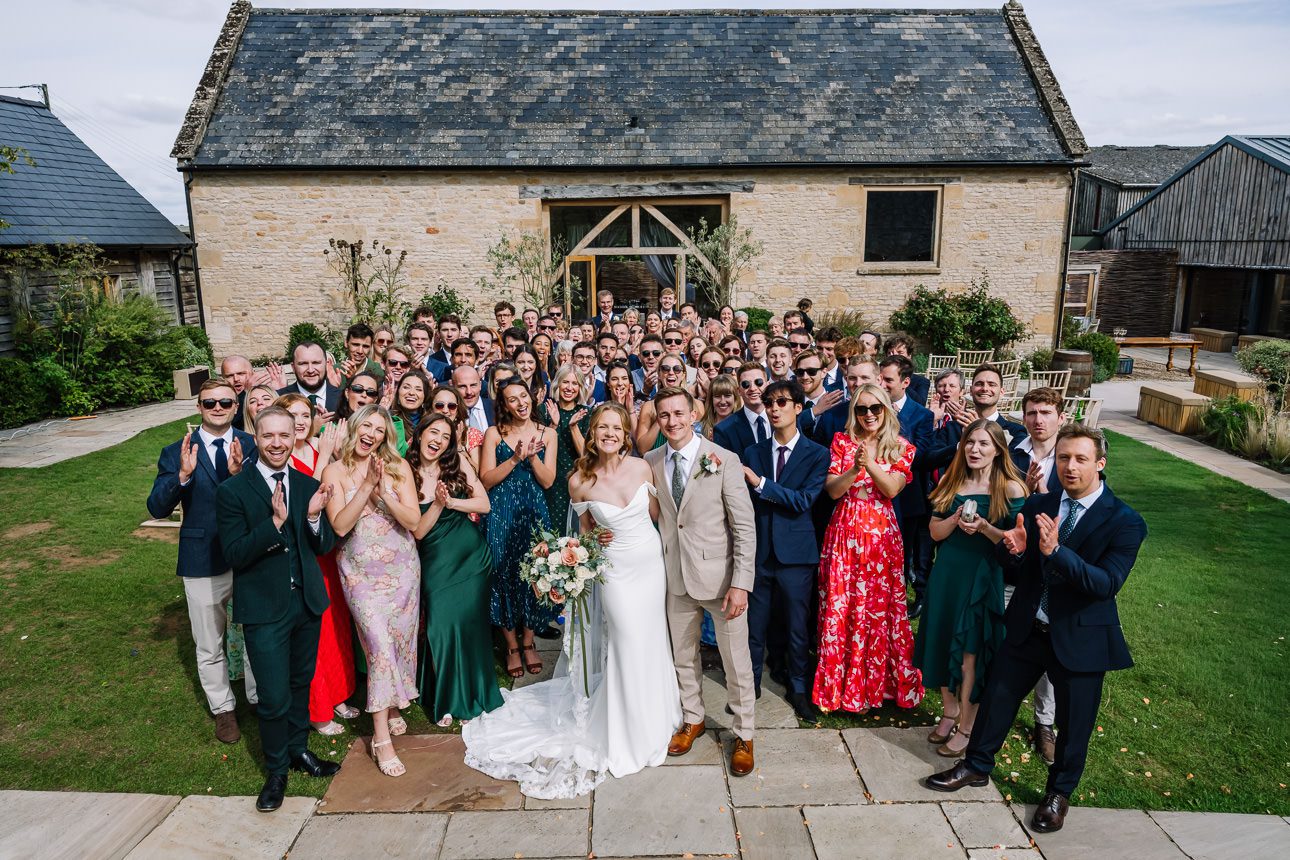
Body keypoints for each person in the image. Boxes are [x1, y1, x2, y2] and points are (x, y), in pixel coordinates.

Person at [926, 424, 1147, 835]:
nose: (1070, 466)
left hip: (1080, 636)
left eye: (1081, 459)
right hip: (1028, 627)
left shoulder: (1125, 522)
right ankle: (976, 766)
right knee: (996, 701)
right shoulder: (1039, 503)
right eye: (1063, 457)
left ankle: (1058, 793)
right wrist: (1014, 549)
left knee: (1074, 724)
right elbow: (1017, 567)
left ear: (1100, 464)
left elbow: (1106, 584)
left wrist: (1056, 552)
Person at [464, 402, 681, 796]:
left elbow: (654, 516)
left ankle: (656, 717)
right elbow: (582, 531)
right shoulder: (578, 480)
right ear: (592, 434)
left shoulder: (642, 468)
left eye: (617, 427)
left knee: (651, 641)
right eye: (603, 428)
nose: (610, 434)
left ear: (626, 433)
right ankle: (625, 730)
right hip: (614, 573)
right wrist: (589, 543)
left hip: (649, 566)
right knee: (626, 642)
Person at [214, 405, 339, 811]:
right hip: (264, 609)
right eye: (268, 436)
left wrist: (316, 518)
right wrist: (274, 525)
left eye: (284, 436)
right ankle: (276, 770)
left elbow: (322, 546)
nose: (277, 443)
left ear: (294, 437)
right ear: (255, 435)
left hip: (305, 603)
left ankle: (299, 749)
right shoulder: (232, 491)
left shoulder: (306, 485)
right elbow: (233, 552)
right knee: (272, 695)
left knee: (301, 683)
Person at [644, 387, 758, 775]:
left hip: (721, 578)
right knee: (682, 657)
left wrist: (741, 582)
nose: (672, 422)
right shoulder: (651, 460)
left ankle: (744, 733)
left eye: (679, 413)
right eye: (664, 415)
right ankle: (693, 718)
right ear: (657, 420)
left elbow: (744, 526)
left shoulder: (722, 459)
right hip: (674, 577)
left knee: (736, 661)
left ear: (693, 413)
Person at [148, 378, 258, 744]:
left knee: (255, 633)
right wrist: (182, 476)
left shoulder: (250, 445)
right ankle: (223, 708)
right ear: (199, 406)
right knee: (209, 642)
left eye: (225, 402)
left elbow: (263, 500)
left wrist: (241, 478)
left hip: (246, 557)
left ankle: (258, 699)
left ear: (234, 405)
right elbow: (157, 508)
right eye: (209, 402)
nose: (218, 408)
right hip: (200, 559)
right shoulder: (175, 450)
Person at [914, 419, 1027, 757]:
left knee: (969, 655)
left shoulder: (1011, 488)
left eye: (983, 444)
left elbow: (1014, 543)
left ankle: (968, 727)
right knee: (942, 640)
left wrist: (984, 528)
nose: (975, 449)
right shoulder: (952, 480)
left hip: (981, 576)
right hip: (947, 574)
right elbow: (934, 532)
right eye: (970, 442)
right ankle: (949, 713)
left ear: (998, 450)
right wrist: (954, 519)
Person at [322, 404, 423, 778]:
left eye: (379, 431)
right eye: (367, 426)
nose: (372, 435)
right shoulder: (334, 470)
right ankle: (381, 737)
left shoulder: (397, 468)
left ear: (386, 437)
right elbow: (339, 526)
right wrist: (365, 488)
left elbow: (413, 521)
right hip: (360, 574)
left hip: (401, 569)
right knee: (379, 646)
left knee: (397, 643)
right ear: (354, 428)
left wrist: (385, 493)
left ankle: (394, 704)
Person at [813, 384, 923, 714]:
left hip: (880, 540)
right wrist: (854, 468)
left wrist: (871, 464)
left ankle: (878, 687)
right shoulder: (841, 442)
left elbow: (891, 488)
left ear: (887, 409)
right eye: (862, 409)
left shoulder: (902, 448)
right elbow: (832, 491)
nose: (869, 414)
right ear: (854, 413)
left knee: (877, 609)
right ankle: (842, 687)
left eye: (875, 408)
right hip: (844, 533)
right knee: (842, 605)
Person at [741, 380, 830, 724]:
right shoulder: (753, 452)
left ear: (798, 407)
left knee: (796, 628)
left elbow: (804, 501)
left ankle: (798, 689)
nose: (774, 408)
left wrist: (761, 483)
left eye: (781, 402)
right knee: (754, 626)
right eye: (769, 403)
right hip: (760, 552)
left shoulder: (817, 453)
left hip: (797, 555)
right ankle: (750, 685)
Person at [407, 415, 503, 726]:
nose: (437, 439)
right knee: (441, 627)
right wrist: (436, 504)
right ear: (420, 434)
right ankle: (447, 696)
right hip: (435, 561)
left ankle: (474, 692)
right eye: (433, 432)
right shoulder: (405, 472)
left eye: (445, 436)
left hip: (471, 558)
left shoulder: (457, 463)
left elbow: (483, 504)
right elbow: (419, 532)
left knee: (470, 628)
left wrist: (450, 503)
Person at [276, 394, 358, 737]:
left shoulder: (320, 447)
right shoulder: (282, 457)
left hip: (328, 550)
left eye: (304, 414)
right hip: (299, 555)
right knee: (315, 635)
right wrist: (324, 456)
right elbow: (296, 505)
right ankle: (317, 709)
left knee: (336, 626)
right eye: (290, 414)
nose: (298, 420)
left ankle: (339, 694)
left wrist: (330, 455)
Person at [480, 380, 560, 679]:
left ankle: (528, 642)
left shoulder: (547, 434)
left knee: (535, 575)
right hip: (500, 511)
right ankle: (511, 646)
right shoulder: (493, 434)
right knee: (503, 574)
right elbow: (486, 480)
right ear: (505, 406)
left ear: (532, 398)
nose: (520, 403)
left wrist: (532, 456)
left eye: (523, 396)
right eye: (512, 399)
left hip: (533, 512)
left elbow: (548, 480)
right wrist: (515, 458)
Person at [1006, 387, 1067, 764]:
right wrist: (1022, 492)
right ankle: (995, 704)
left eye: (1045, 412)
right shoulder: (1014, 450)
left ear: (1061, 416)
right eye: (1031, 412)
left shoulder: (1072, 455)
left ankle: (1045, 722)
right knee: (1010, 632)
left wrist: (1042, 492)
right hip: (1016, 554)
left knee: (1051, 643)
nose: (1038, 420)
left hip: (1056, 561)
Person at [877, 355, 935, 617]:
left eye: (888, 380)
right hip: (874, 499)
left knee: (901, 555)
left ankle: (897, 605)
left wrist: (896, 429)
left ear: (905, 382)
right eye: (881, 379)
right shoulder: (871, 407)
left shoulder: (921, 415)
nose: (883, 384)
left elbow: (921, 455)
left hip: (906, 497)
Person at [926, 364, 1026, 470]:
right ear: (971, 390)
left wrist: (983, 431)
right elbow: (928, 460)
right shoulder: (953, 427)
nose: (984, 388)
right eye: (979, 384)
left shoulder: (1016, 431)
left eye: (991, 384)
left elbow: (1012, 469)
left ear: (1001, 392)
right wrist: (962, 443)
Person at [542, 365, 591, 530]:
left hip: (575, 481)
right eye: (566, 382)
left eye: (575, 383)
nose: (570, 388)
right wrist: (553, 425)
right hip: (549, 482)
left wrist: (573, 427)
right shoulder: (544, 410)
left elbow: (587, 454)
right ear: (557, 384)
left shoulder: (586, 413)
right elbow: (537, 452)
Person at [812, 356, 879, 446]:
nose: (858, 383)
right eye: (852, 378)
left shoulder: (891, 414)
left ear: (879, 380)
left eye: (864, 378)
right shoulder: (831, 417)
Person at [713, 362, 769, 463]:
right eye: (746, 384)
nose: (752, 388)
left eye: (759, 382)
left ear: (768, 385)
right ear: (739, 391)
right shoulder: (724, 430)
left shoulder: (785, 419)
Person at [431, 385, 484, 473]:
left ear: (458, 410)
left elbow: (477, 474)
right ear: (431, 408)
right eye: (439, 405)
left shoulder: (471, 435)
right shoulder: (421, 434)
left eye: (451, 406)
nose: (445, 410)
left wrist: (458, 447)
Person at [279, 342, 340, 419]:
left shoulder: (344, 398)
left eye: (316, 363)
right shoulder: (279, 398)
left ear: (327, 364)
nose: (310, 370)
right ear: (293, 367)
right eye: (303, 364)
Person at [793, 348, 844, 439]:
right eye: (800, 372)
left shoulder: (838, 402)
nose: (805, 377)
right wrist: (814, 411)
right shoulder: (790, 402)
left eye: (811, 372)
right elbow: (785, 427)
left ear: (824, 373)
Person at [389, 369, 431, 456]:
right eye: (406, 387)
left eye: (418, 389)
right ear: (398, 391)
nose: (411, 393)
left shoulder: (431, 422)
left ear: (425, 396)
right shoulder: (388, 419)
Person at [884, 336, 928, 406]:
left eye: (900, 352)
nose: (894, 356)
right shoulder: (880, 379)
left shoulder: (921, 382)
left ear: (909, 356)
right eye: (890, 353)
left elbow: (920, 404)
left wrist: (900, 381)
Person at [341, 323, 384, 388]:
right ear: (346, 343)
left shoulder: (377, 371)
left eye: (365, 346)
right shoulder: (336, 370)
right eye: (355, 345)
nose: (360, 351)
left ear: (370, 347)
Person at [701, 372, 742, 440]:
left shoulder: (744, 427)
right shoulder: (699, 429)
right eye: (717, 396)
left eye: (727, 396)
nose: (722, 401)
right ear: (711, 399)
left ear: (735, 398)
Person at [453, 364, 494, 433]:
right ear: (453, 387)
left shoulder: (496, 407)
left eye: (473, 385)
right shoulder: (449, 411)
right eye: (462, 386)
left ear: (480, 385)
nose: (469, 392)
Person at [221, 354, 255, 430]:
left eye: (241, 374)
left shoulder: (264, 395)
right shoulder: (217, 401)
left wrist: (281, 389)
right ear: (223, 379)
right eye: (229, 376)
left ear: (253, 374)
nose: (236, 379)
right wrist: (245, 393)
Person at [815, 327, 844, 393]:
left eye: (829, 349)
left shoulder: (845, 373)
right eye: (819, 348)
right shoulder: (806, 372)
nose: (823, 353)